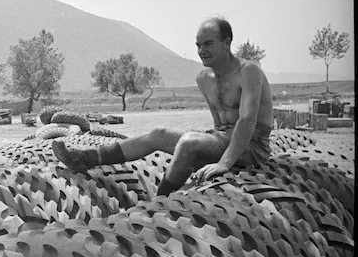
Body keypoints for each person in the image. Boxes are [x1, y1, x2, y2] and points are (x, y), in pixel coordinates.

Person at [53, 16, 274, 196]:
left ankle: (160, 200)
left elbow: (247, 120)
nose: (201, 50)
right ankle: (85, 158)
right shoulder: (203, 78)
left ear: (227, 43)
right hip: (223, 139)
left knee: (188, 142)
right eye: (198, 45)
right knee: (159, 134)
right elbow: (219, 124)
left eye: (208, 44)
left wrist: (224, 163)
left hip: (252, 147)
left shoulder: (248, 71)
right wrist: (204, 152)